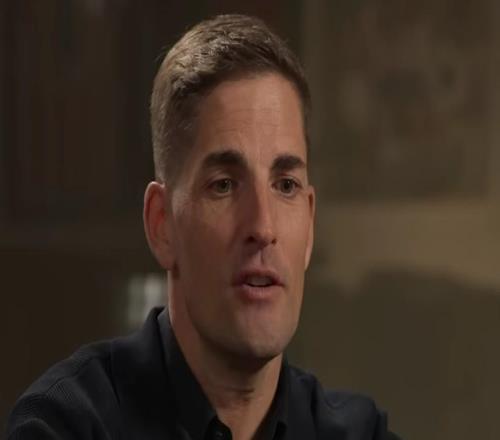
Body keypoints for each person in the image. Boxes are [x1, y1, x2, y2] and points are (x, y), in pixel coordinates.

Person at [7, 14, 400, 440]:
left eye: (285, 185)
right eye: (224, 185)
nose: (263, 226)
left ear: (309, 222)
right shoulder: (67, 426)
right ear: (162, 224)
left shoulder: (360, 433)